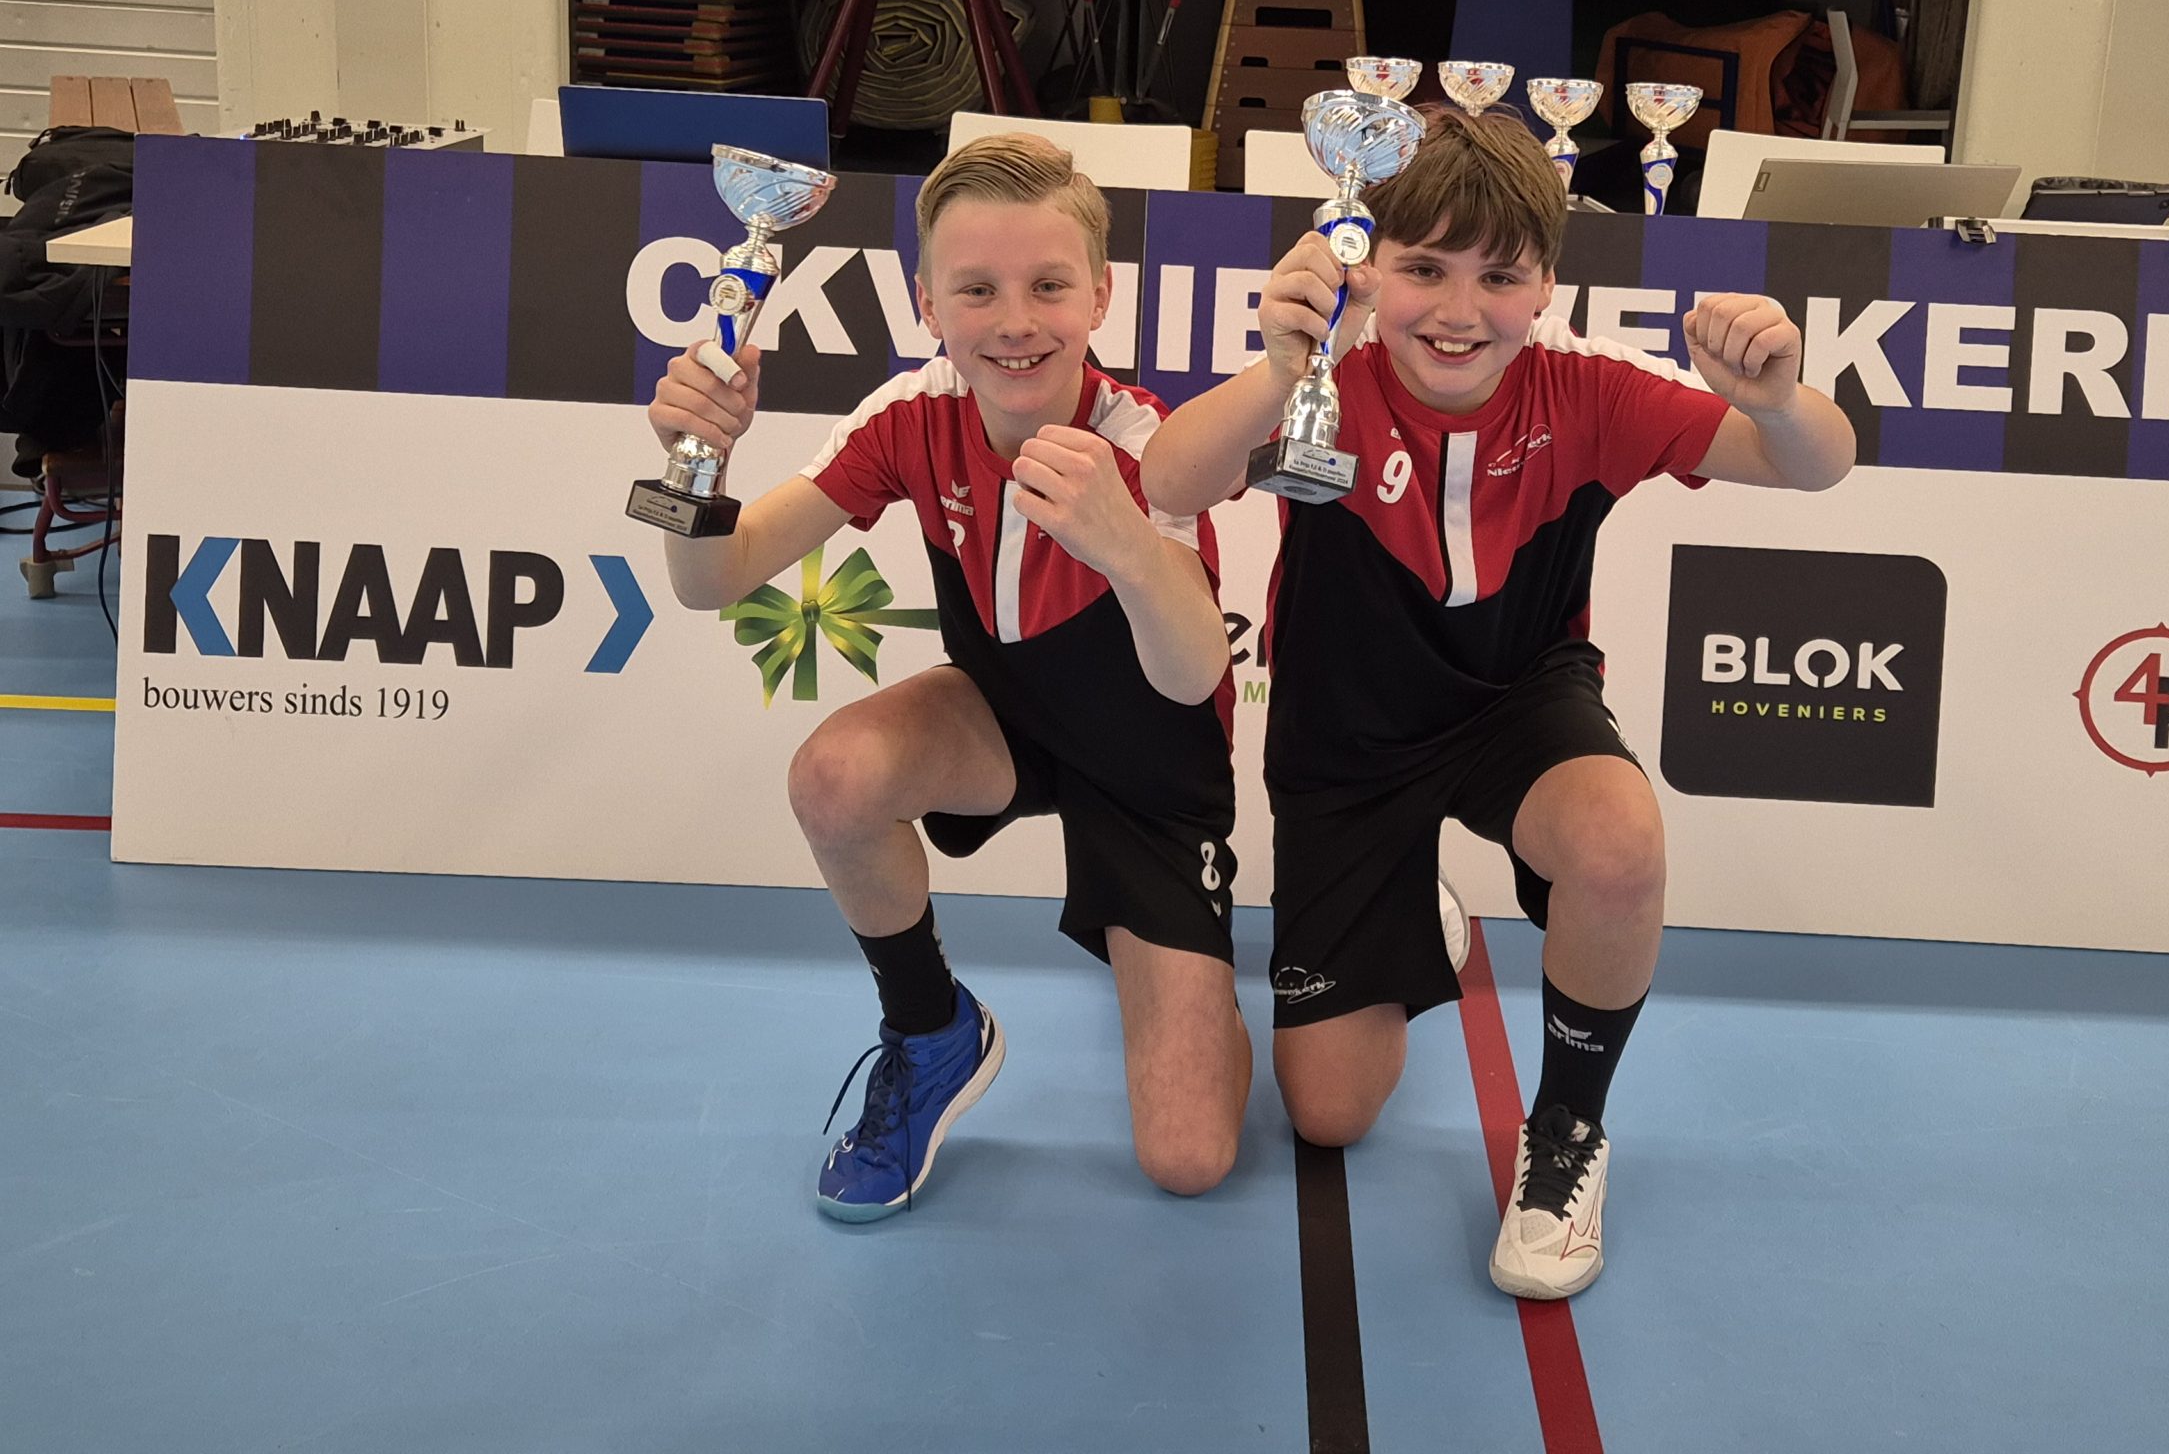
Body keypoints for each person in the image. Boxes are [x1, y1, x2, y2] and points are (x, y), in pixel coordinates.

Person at [1142, 106, 1854, 1298]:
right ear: (1369, 263)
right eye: (1424, 268)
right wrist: (1277, 367)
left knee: (1618, 844)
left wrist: (1779, 397)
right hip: (1345, 742)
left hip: (1515, 704)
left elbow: (1817, 462)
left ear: (1545, 288)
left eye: (1500, 277)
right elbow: (1168, 479)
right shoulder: (1326, 378)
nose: (1459, 309)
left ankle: (1567, 1130)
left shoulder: (1590, 388)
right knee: (1327, 1112)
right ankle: (1417, 912)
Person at [646, 134, 1249, 1220]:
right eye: (976, 290)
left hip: (1153, 772)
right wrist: (700, 462)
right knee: (836, 775)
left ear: (1101, 296)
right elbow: (712, 579)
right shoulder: (912, 413)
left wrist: (1124, 542)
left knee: (1188, 1158)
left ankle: (1202, 981)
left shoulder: (1147, 441)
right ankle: (931, 1034)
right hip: (1003, 721)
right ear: (928, 302)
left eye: (1048, 286)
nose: (1015, 321)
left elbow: (1193, 673)